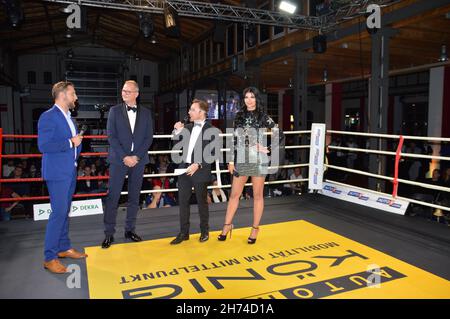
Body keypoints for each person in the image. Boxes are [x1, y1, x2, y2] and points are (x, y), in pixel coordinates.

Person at [37, 81, 87, 274]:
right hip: (57, 172)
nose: (76, 97)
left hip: (69, 171)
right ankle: (49, 258)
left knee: (64, 212)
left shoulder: (69, 118)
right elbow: (44, 145)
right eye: (73, 94)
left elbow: (74, 144)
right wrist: (70, 142)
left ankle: (64, 248)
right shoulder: (48, 117)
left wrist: (76, 143)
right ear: (63, 95)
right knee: (58, 214)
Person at [218, 87, 277, 244]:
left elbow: (279, 134)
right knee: (234, 195)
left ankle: (255, 229)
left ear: (257, 98)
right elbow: (232, 139)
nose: (249, 100)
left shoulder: (263, 117)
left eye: (252, 97)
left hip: (259, 160)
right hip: (242, 159)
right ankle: (227, 225)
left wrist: (267, 149)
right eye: (246, 97)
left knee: (257, 196)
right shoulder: (239, 116)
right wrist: (231, 161)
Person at [102, 80, 154, 249]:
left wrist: (136, 156)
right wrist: (125, 156)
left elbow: (149, 137)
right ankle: (109, 234)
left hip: (138, 161)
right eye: (123, 90)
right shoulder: (114, 111)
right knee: (113, 197)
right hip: (118, 160)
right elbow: (111, 136)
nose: (124, 93)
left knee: (134, 197)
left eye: (128, 91)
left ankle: (130, 230)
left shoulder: (146, 113)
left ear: (136, 94)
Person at [170, 99, 220, 245]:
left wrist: (198, 164)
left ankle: (204, 231)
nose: (189, 112)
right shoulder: (188, 128)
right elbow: (176, 146)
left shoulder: (212, 130)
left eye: (192, 109)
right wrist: (177, 131)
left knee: (202, 202)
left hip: (201, 170)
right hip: (184, 169)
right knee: (183, 202)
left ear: (201, 112)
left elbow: (213, 153)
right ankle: (183, 233)